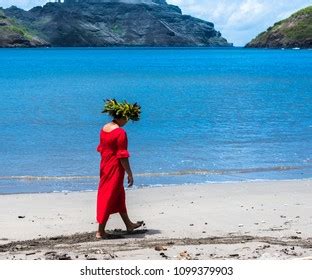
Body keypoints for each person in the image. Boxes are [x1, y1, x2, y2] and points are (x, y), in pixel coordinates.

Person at [96, 99, 143, 239]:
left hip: (104, 166)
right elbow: (122, 156)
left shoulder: (104, 128)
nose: (127, 121)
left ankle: (128, 224)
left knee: (119, 195)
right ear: (121, 117)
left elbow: (102, 149)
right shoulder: (120, 133)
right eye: (126, 118)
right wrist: (129, 173)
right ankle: (100, 231)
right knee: (108, 196)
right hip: (115, 168)